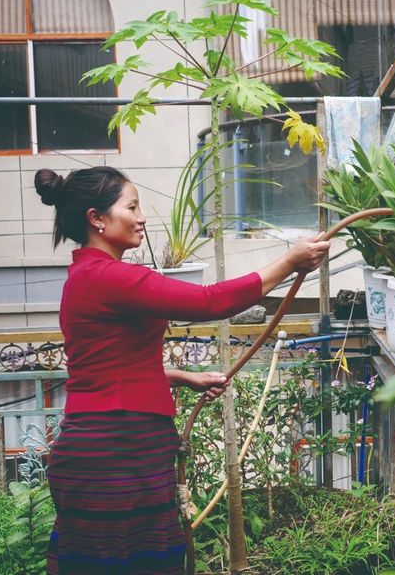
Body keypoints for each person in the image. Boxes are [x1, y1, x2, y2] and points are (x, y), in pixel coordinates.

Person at [34, 166, 329, 575]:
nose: (142, 218)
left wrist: (180, 378)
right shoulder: (110, 277)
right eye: (132, 207)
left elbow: (105, 367)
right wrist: (288, 262)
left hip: (110, 446)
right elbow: (209, 302)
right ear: (96, 218)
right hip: (115, 454)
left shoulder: (85, 276)